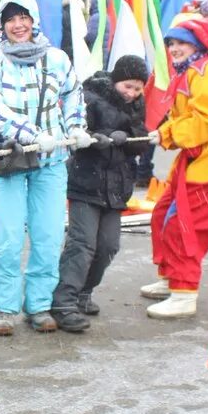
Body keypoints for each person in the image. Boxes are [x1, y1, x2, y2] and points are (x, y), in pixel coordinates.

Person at [0, 0, 89, 334]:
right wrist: (31, 134)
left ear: (35, 20)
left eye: (24, 17)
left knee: (48, 235)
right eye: (10, 19)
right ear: (1, 25)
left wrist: (76, 127)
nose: (18, 25)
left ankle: (39, 305)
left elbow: (73, 94)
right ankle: (3, 308)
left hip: (53, 159)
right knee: (8, 236)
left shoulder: (57, 58)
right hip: (11, 157)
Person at [140, 18, 208, 319]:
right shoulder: (192, 71)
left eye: (181, 43)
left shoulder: (204, 71)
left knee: (184, 226)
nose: (174, 48)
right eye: (171, 43)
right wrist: (167, 131)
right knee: (164, 214)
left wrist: (168, 134)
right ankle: (172, 278)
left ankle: (184, 291)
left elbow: (207, 119)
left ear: (197, 45)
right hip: (197, 158)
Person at [51, 56, 149, 331]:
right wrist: (102, 136)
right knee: (82, 244)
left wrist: (127, 136)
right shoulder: (91, 96)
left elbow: (141, 140)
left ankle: (84, 291)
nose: (132, 93)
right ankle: (63, 301)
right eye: (128, 86)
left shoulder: (137, 105)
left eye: (138, 89)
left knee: (108, 245)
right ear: (116, 80)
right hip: (86, 182)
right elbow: (76, 132)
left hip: (116, 188)